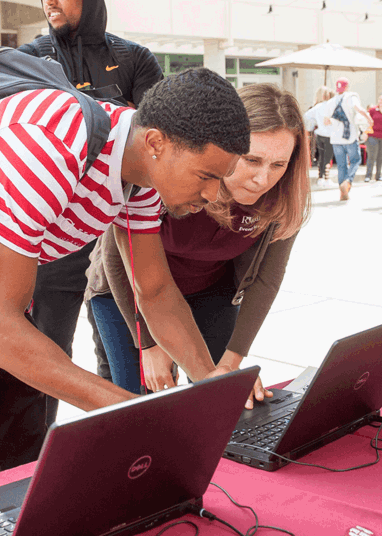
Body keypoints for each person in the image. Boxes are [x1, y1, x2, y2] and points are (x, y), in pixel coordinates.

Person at [0, 68, 252, 496]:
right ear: (157, 143)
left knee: (27, 468)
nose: (214, 195)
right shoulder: (48, 149)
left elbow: (153, 290)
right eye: (207, 177)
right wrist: (131, 411)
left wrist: (210, 384)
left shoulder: (144, 175)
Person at [86, 84, 311, 398]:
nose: (263, 180)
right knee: (136, 403)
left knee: (223, 395)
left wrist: (231, 363)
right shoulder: (168, 173)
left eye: (278, 165)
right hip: (126, 292)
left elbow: (267, 280)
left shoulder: (282, 198)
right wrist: (149, 343)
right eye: (251, 160)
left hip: (208, 292)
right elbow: (117, 259)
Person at [17, 0, 163, 423]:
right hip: (51, 235)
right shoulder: (30, 58)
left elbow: (155, 143)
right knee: (44, 355)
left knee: (122, 358)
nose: (49, 2)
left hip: (118, 232)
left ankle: (125, 439)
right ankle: (32, 456)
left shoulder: (134, 58)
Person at [324, 77, 372, 201]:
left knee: (341, 165)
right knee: (356, 160)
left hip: (336, 139)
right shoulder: (351, 97)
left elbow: (326, 121)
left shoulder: (330, 102)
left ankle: (342, 193)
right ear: (347, 87)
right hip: (350, 137)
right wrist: (369, 119)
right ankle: (348, 181)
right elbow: (359, 109)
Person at [304, 85, 334, 186]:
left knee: (321, 157)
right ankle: (326, 178)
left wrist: (315, 122)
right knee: (327, 158)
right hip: (329, 135)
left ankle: (320, 178)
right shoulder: (332, 106)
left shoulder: (318, 106)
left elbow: (306, 116)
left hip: (320, 135)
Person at [365, 93, 382, 182]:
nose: (380, 101)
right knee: (372, 156)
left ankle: (378, 175)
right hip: (372, 136)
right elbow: (366, 121)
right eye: (379, 99)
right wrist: (365, 133)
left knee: (380, 156)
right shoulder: (373, 110)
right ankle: (368, 175)